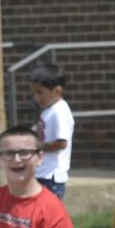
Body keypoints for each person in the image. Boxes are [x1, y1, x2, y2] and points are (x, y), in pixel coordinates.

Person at [31, 63, 74, 202]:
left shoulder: (59, 111)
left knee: (47, 216)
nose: (36, 97)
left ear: (57, 91)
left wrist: (37, 147)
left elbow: (61, 143)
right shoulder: (49, 110)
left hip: (52, 177)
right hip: (43, 173)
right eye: (34, 93)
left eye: (40, 92)